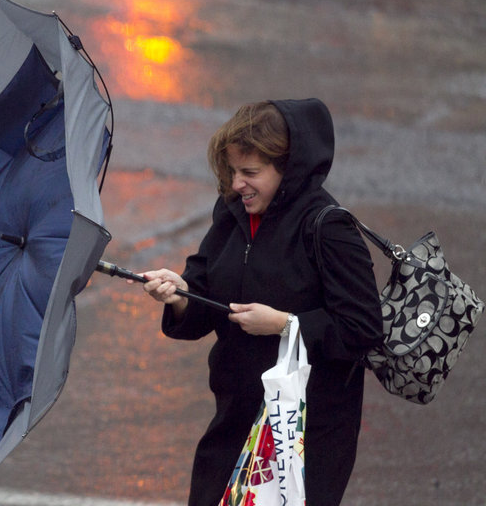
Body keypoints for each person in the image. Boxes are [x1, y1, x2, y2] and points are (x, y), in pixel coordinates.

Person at [139, 99, 382, 506]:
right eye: (233, 171)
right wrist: (178, 293)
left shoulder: (329, 227)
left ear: (287, 170)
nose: (237, 184)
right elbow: (204, 290)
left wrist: (286, 324)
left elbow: (363, 329)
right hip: (235, 417)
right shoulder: (232, 212)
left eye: (250, 173)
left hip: (303, 434)